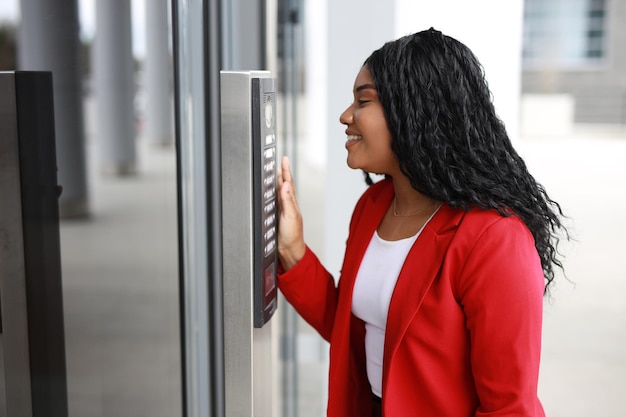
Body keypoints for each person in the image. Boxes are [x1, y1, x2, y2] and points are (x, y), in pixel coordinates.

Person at [276, 28, 568, 417]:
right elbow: (354, 329)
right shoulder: (373, 206)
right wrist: (293, 250)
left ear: (413, 111)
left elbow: (509, 408)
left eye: (363, 101)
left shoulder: (495, 239)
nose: (346, 116)